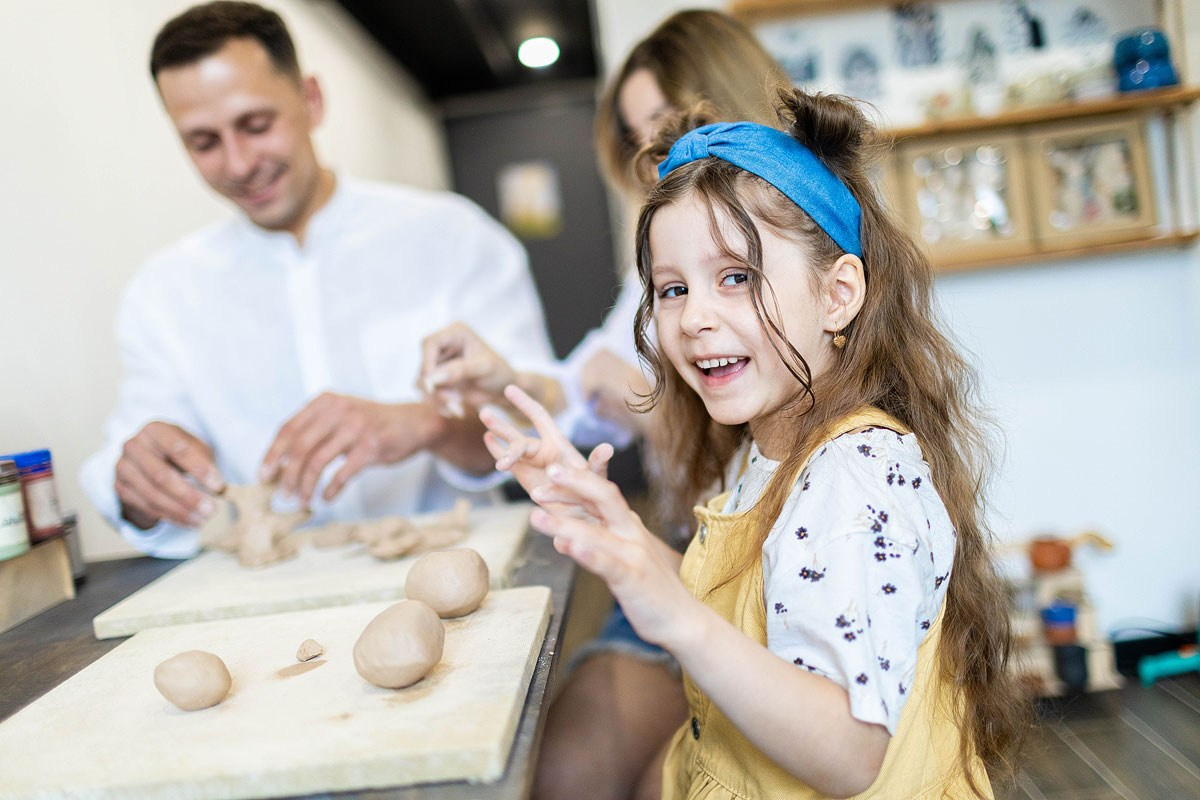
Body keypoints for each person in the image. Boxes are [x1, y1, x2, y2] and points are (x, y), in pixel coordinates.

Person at [481, 89, 1028, 798]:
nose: (695, 318)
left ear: (838, 294)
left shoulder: (855, 478)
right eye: (671, 290)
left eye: (736, 278)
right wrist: (614, 527)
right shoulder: (771, 447)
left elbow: (851, 753)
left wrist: (675, 619)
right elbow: (753, 620)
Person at [417, 12, 790, 800]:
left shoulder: (802, 254)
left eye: (670, 132)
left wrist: (632, 394)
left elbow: (624, 386)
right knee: (564, 772)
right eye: (638, 142)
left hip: (779, 592)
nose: (655, 163)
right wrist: (505, 380)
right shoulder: (655, 268)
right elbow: (585, 383)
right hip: (684, 567)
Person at [79, 1, 554, 558]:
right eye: (204, 142)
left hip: (455, 563)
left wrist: (426, 425)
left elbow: (543, 420)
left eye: (256, 125)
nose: (237, 163)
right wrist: (139, 483)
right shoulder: (162, 293)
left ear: (311, 100)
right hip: (270, 601)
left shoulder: (452, 236)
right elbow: (140, 459)